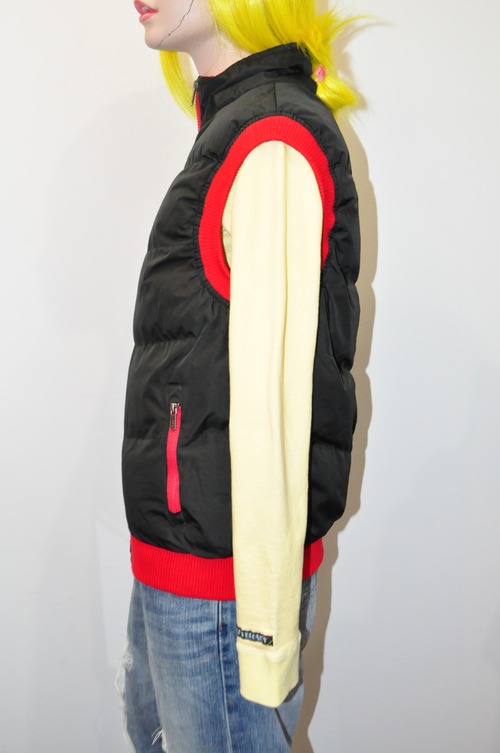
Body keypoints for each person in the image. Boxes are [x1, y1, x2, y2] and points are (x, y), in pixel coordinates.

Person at [118, 1, 360, 751]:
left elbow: (274, 410)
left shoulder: (271, 138)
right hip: (184, 557)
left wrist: (263, 636)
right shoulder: (235, 128)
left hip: (225, 586)